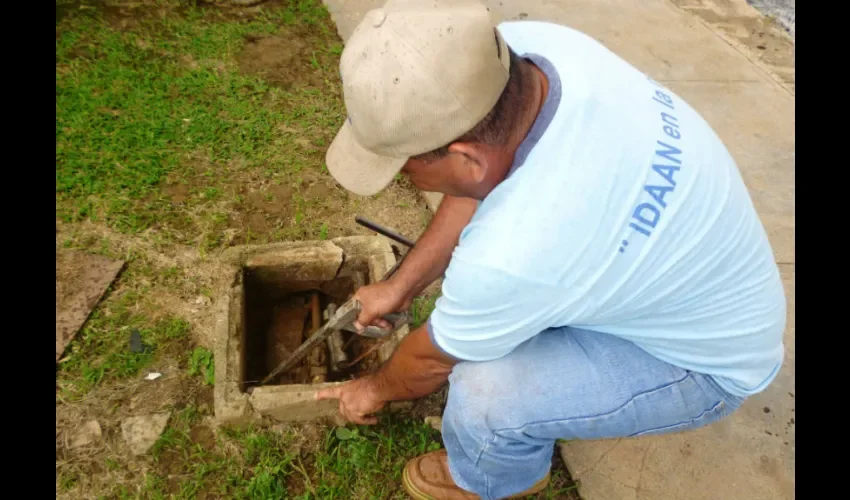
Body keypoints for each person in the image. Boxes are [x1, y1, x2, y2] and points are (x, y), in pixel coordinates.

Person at [316, 1, 787, 498]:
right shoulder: (539, 54)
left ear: (464, 158)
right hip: (696, 285)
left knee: (483, 396)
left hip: (705, 365)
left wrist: (371, 388)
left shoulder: (517, 253)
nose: (406, 177)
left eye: (406, 168)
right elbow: (479, 184)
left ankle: (493, 478)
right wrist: (398, 286)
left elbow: (431, 361)